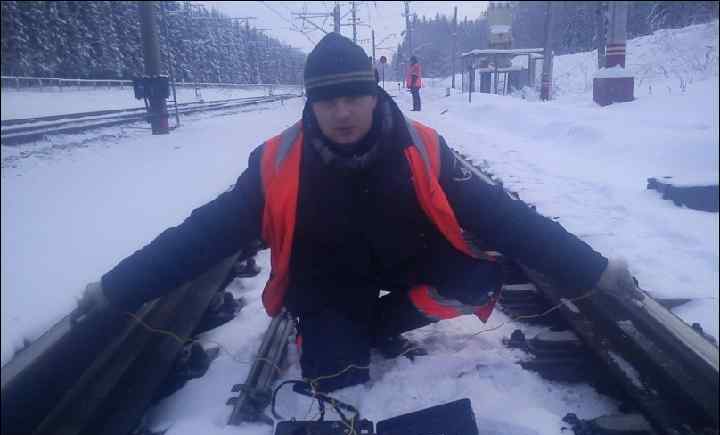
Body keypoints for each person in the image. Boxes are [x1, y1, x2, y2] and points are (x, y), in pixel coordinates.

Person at [78, 33, 639, 393]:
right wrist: (116, 289)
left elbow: (504, 217)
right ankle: (344, 332)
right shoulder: (275, 163)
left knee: (479, 276)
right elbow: (200, 236)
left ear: (376, 94)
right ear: (310, 104)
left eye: (353, 96)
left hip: (403, 267)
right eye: (327, 100)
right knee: (338, 378)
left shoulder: (423, 147)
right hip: (328, 284)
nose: (342, 112)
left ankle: (380, 324)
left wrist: (594, 271)